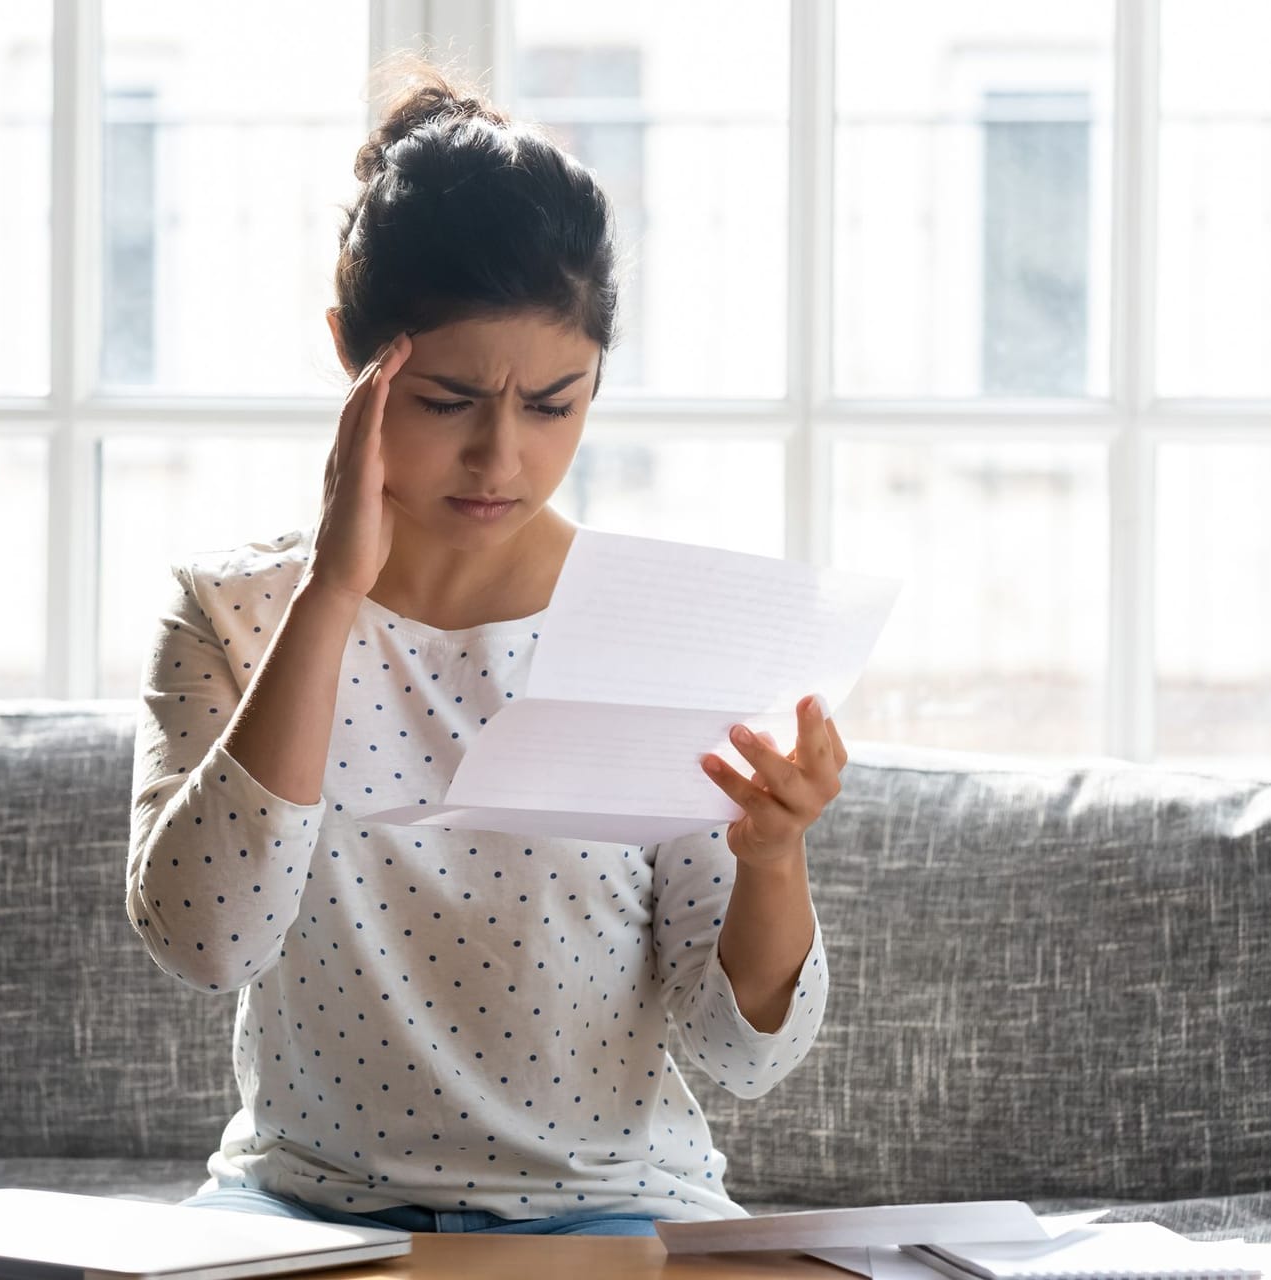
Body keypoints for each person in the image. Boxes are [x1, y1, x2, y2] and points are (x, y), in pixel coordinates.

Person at [126, 56, 849, 1238]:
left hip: (612, 1210)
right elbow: (211, 940)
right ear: (352, 357)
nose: (501, 458)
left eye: (554, 403)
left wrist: (774, 858)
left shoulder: (661, 629)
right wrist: (330, 592)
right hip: (299, 1210)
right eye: (449, 398)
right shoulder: (229, 614)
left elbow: (742, 1056)